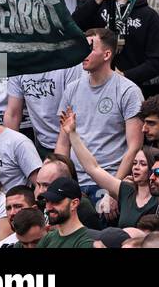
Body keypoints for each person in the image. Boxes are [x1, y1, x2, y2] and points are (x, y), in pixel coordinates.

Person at [54, 29, 144, 202]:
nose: (82, 53)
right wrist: (60, 184)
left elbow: (135, 147)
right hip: (76, 183)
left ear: (107, 54)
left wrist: (115, 191)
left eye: (89, 48)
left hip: (109, 179)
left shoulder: (128, 90)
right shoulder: (71, 89)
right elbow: (63, 143)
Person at [62, 106, 158, 229]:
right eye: (134, 163)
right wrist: (73, 134)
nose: (136, 168)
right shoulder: (126, 191)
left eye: (143, 164)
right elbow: (93, 168)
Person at [37, 177, 94, 248]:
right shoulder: (48, 238)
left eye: (56, 201)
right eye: (47, 201)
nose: (48, 208)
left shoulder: (86, 241)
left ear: (74, 204)